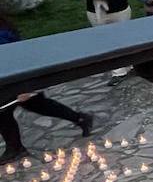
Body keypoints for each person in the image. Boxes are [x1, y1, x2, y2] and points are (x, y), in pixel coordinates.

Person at [0, 16, 94, 163]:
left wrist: (23, 87)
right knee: (35, 105)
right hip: (7, 80)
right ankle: (81, 118)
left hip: (14, 79)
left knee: (10, 112)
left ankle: (15, 148)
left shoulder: (3, 35)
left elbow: (15, 58)